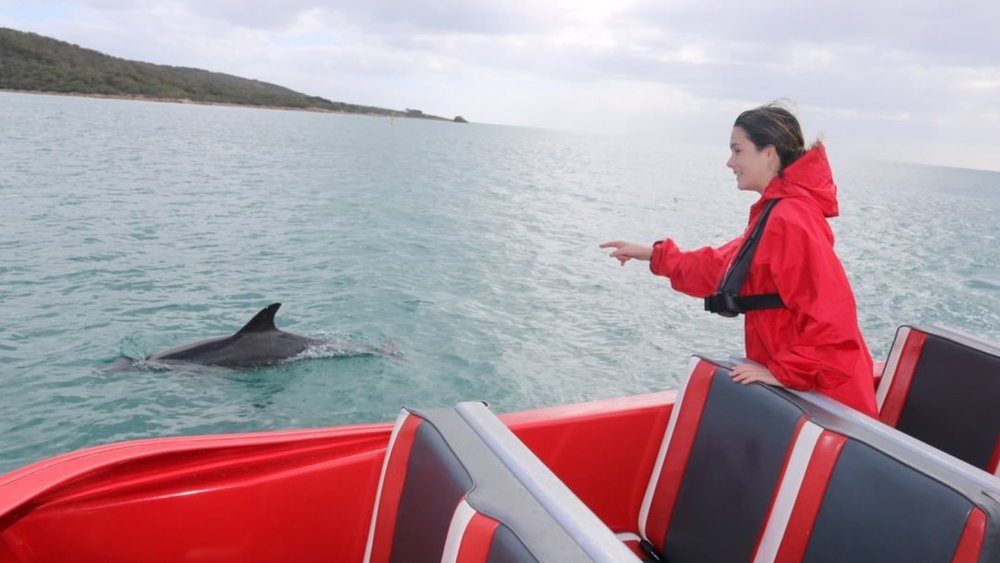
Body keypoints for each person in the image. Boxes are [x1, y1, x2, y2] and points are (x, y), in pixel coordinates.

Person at [600, 103, 878, 417]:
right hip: (809, 393)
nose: (729, 162)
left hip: (830, 402)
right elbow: (723, 268)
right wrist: (653, 254)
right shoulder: (778, 212)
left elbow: (834, 317)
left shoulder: (791, 218)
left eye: (737, 150)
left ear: (769, 154)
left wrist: (782, 372)